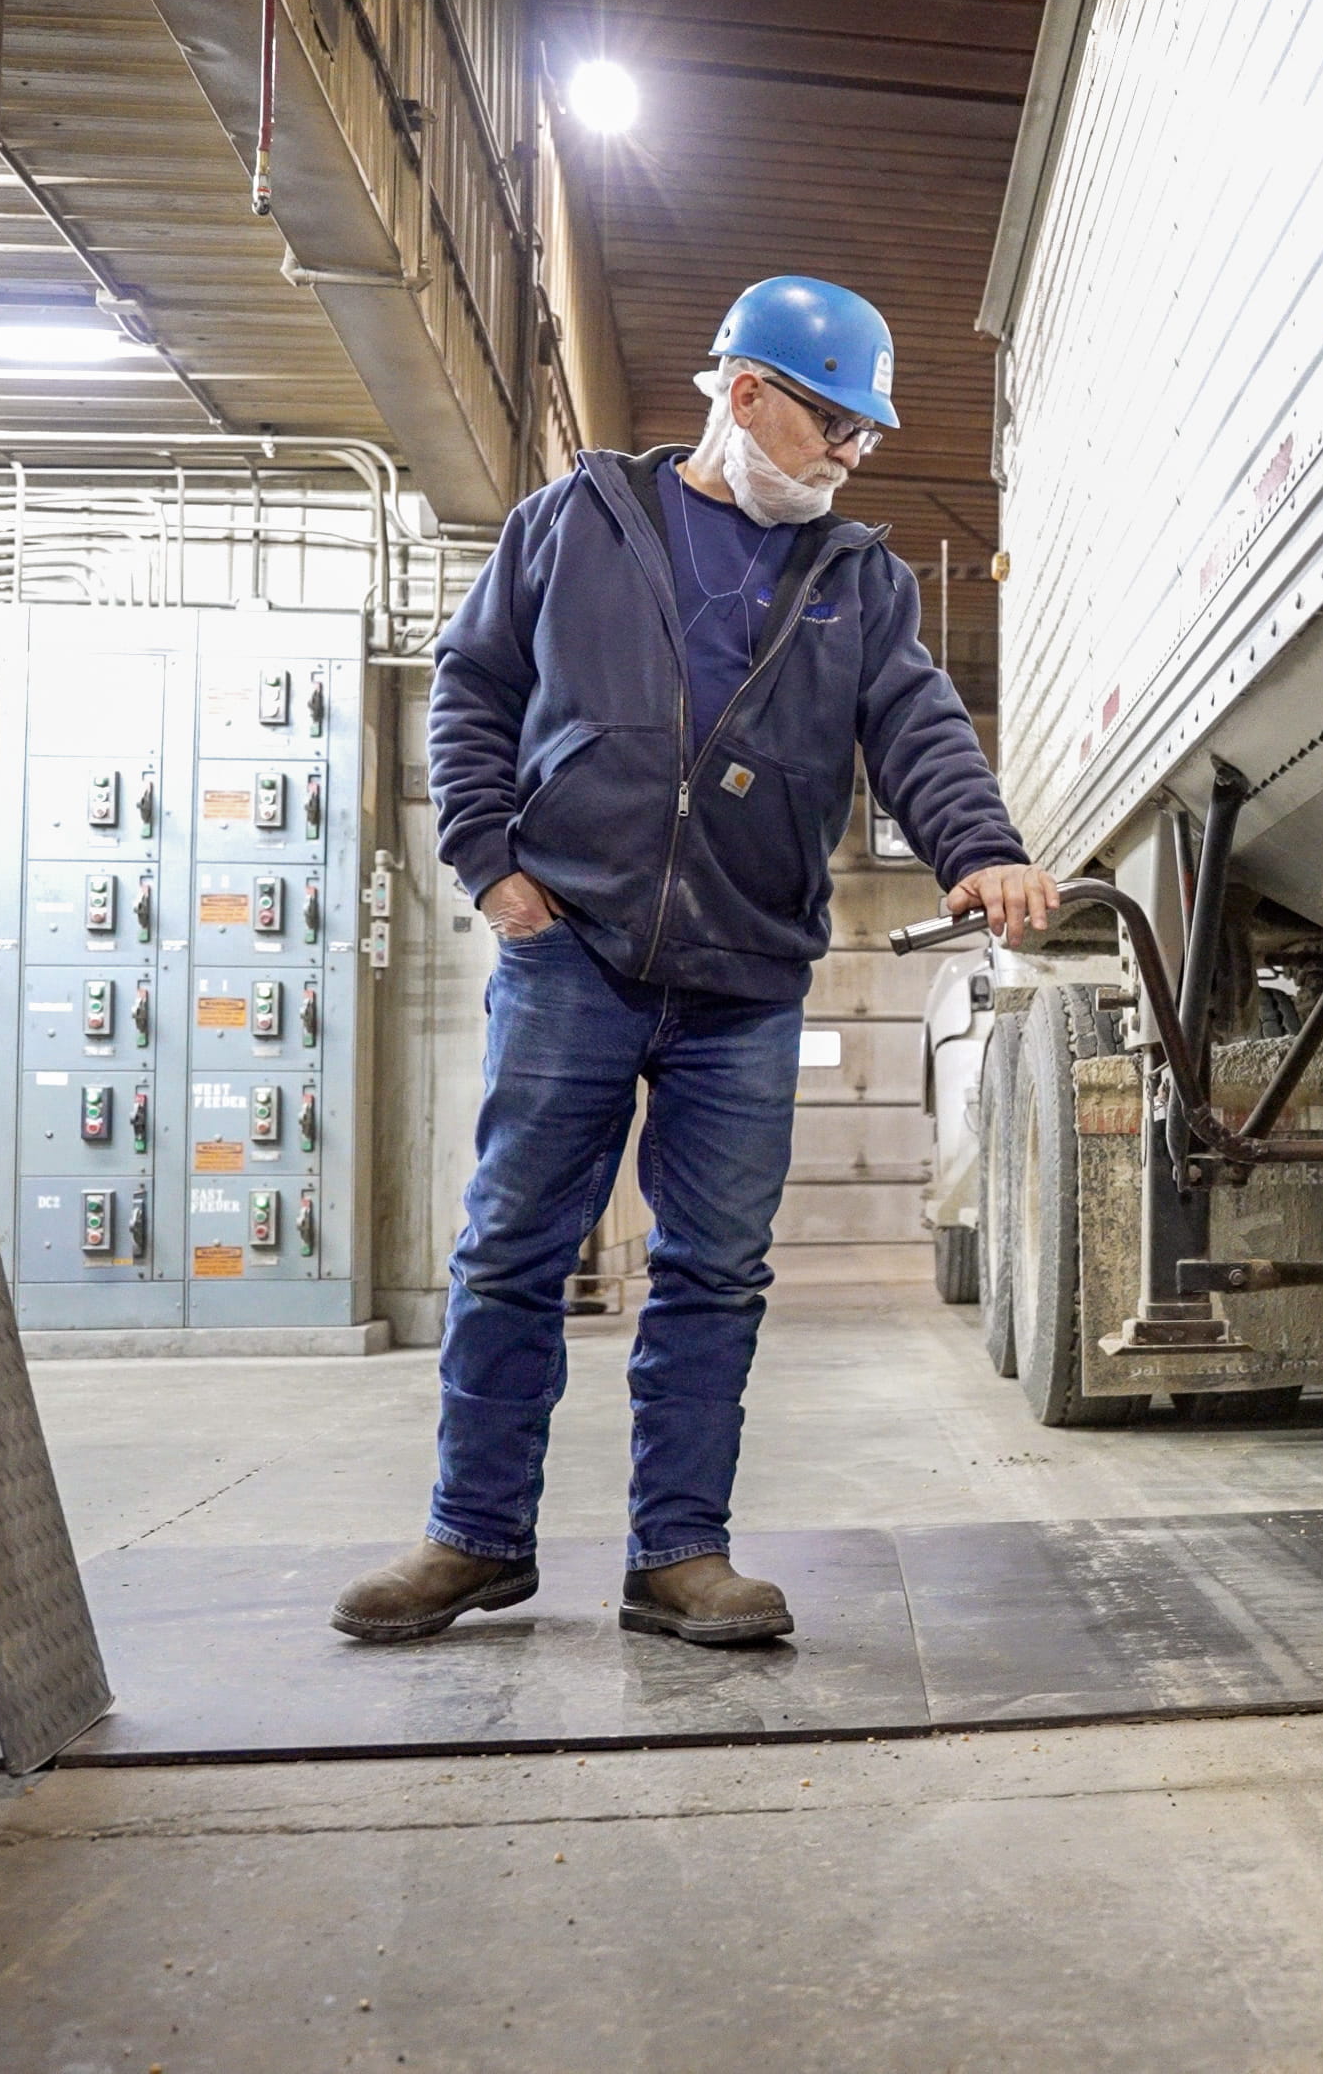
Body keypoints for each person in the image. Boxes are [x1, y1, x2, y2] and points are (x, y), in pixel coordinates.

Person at [332, 275, 1058, 1646]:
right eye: (832, 426)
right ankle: (473, 1537)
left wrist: (980, 848)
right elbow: (474, 686)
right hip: (574, 954)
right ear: (743, 395)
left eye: (865, 438)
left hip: (744, 976)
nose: (851, 457)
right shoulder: (576, 522)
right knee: (508, 1256)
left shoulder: (859, 580)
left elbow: (920, 730)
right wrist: (490, 862)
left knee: (714, 1271)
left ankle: (679, 1554)